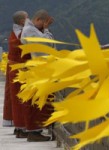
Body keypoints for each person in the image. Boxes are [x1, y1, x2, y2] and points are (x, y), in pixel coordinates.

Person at [21, 9, 55, 142]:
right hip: (38, 68)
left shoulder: (32, 29)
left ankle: (37, 130)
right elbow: (48, 43)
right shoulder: (30, 30)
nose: (44, 26)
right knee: (35, 103)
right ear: (39, 20)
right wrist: (46, 30)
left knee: (37, 101)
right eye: (44, 23)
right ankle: (34, 132)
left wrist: (44, 29)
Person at [3, 11, 31, 137]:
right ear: (22, 21)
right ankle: (21, 127)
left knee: (15, 99)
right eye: (27, 18)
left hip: (13, 67)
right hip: (19, 68)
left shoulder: (16, 32)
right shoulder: (22, 33)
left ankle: (19, 126)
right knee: (20, 99)